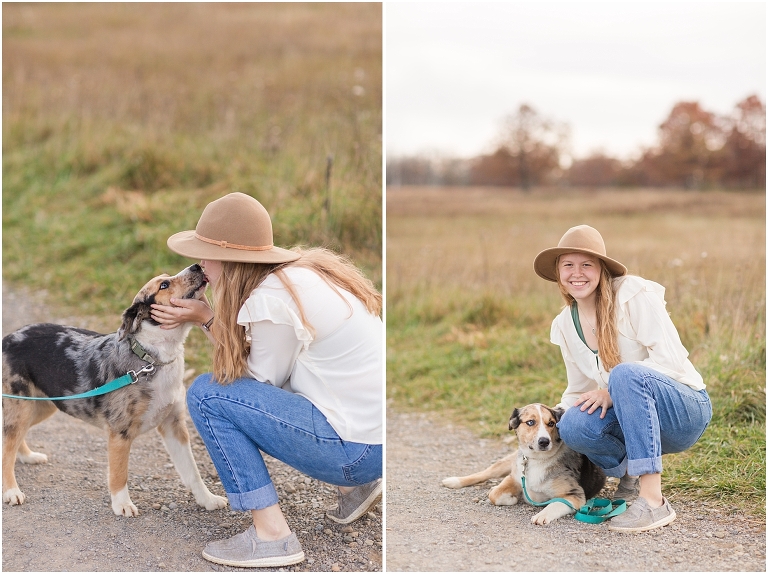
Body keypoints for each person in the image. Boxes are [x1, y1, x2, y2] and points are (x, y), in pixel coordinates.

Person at [150, 192, 382, 568]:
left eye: (207, 253)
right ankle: (355, 486)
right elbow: (266, 366)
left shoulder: (272, 298)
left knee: (208, 396)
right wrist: (209, 316)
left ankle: (272, 536)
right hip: (373, 440)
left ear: (232, 257)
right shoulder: (299, 276)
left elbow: (255, 385)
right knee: (254, 388)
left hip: (357, 451)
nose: (200, 263)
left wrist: (205, 318)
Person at [533, 224, 712, 533]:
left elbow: (671, 361)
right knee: (573, 423)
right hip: (635, 420)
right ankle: (631, 473)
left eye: (587, 264)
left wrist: (613, 390)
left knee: (625, 374)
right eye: (568, 265)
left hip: (683, 411)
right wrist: (541, 429)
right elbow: (577, 390)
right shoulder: (564, 323)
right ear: (559, 273)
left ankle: (654, 501)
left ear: (602, 269)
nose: (578, 273)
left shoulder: (631, 295)